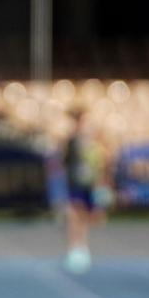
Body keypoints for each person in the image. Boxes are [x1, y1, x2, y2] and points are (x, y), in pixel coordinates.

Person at [61, 111, 106, 273]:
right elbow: (65, 160)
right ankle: (75, 246)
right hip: (76, 185)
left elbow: (100, 169)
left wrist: (100, 188)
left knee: (89, 218)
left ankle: (82, 247)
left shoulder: (95, 149)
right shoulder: (73, 144)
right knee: (74, 214)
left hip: (90, 185)